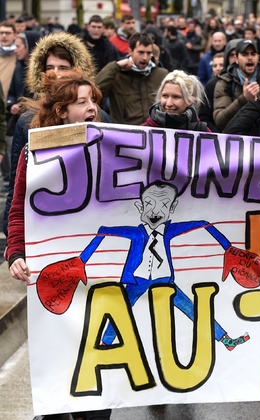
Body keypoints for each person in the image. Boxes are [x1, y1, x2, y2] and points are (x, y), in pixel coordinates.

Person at [6, 69, 112, 420]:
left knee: (101, 368)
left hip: (102, 277)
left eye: (93, 100)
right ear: (62, 111)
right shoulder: (33, 154)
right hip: (55, 278)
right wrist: (16, 253)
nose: (92, 107)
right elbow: (19, 208)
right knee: (58, 371)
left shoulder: (114, 149)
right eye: (82, 102)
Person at [4, 31, 109, 237]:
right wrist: (12, 233)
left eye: (63, 68)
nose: (57, 74)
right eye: (50, 68)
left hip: (88, 218)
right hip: (44, 220)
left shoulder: (99, 116)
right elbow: (17, 182)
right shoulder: (27, 120)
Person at [96, 32, 169, 125]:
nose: (145, 58)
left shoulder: (161, 74)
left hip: (155, 132)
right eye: (141, 52)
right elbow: (95, 91)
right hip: (126, 134)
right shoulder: (117, 76)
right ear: (130, 51)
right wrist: (115, 66)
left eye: (148, 53)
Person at [213, 39, 260, 131]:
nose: (250, 58)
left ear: (258, 57)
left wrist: (259, 105)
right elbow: (220, 121)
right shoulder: (225, 83)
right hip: (237, 140)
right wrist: (243, 99)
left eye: (253, 54)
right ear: (236, 59)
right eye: (244, 54)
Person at [142, 70, 209, 131]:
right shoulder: (144, 131)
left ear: (189, 100)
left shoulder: (202, 132)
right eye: (165, 96)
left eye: (176, 97)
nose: (169, 104)